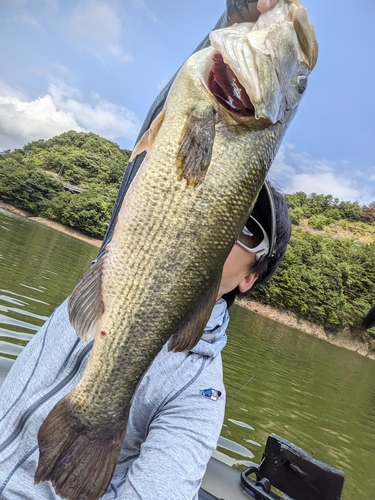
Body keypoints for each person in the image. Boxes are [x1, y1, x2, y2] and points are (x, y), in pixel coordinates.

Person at [0, 179, 291, 500]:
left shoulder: (196, 392)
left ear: (249, 277)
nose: (218, 222)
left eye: (245, 227)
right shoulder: (109, 271)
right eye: (214, 203)